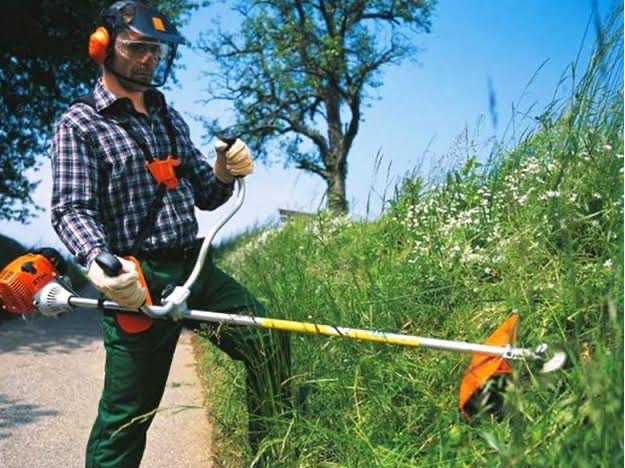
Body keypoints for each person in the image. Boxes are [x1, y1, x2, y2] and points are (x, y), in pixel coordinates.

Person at [50, 2, 291, 466]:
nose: (149, 58)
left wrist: (224, 170)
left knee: (267, 343)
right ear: (103, 47)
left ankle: (270, 456)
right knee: (127, 417)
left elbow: (207, 194)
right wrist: (99, 260)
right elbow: (71, 209)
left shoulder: (168, 117)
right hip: (136, 281)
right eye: (137, 47)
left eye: (156, 49)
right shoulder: (80, 124)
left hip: (194, 269)